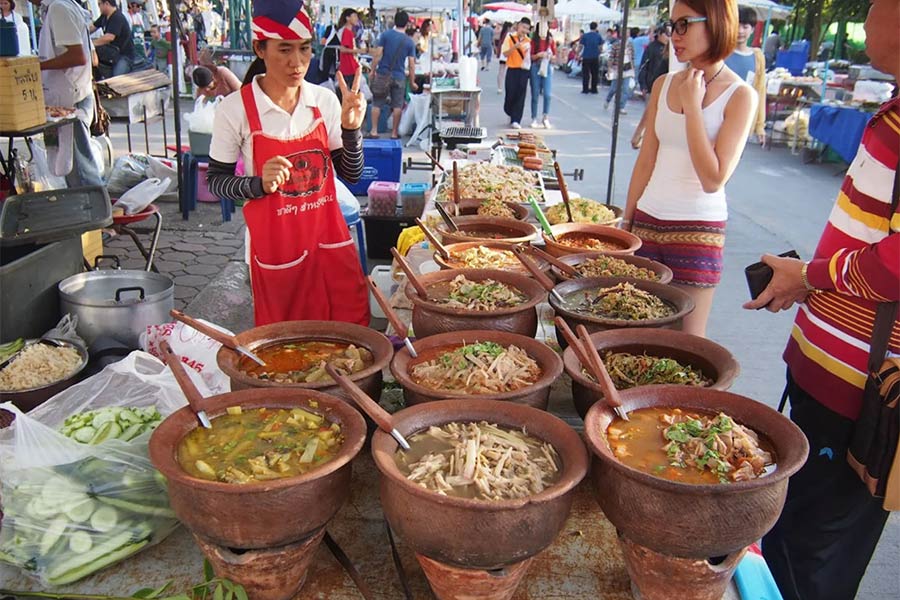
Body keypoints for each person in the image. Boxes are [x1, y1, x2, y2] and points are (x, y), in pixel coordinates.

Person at [743, 2, 899, 598]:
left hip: (859, 391)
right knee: (792, 539)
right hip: (831, 374)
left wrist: (809, 277)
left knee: (810, 559)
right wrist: (807, 278)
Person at [206, 0, 369, 327]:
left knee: (351, 337)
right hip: (276, 251)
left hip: (330, 242)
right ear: (260, 49)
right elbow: (216, 181)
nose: (297, 63)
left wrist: (352, 130)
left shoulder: (323, 101)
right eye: (284, 50)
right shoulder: (235, 109)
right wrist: (257, 184)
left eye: (305, 49)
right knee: (288, 345)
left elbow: (351, 174)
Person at [623, 0, 756, 338]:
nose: (674, 35)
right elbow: (646, 159)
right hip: (647, 220)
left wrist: (694, 107)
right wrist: (627, 222)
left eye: (684, 24)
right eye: (672, 26)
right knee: (634, 329)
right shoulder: (663, 84)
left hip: (698, 230)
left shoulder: (740, 95)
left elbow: (713, 178)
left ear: (715, 23)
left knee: (686, 341)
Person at [28, 0, 102, 188]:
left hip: (70, 99)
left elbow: (77, 56)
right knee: (73, 170)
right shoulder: (61, 6)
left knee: (82, 173)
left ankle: (97, 214)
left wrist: (38, 66)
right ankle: (89, 211)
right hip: (68, 94)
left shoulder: (59, 7)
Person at [368, 10, 417, 140]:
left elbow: (378, 54)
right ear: (407, 23)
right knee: (397, 105)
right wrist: (412, 82)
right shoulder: (409, 42)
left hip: (383, 74)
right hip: (399, 76)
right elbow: (412, 64)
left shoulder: (385, 35)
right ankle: (394, 133)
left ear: (394, 21)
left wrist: (372, 70)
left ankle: (374, 131)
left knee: (377, 102)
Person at [725, 7, 766, 145]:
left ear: (752, 29)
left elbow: (760, 91)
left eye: (745, 26)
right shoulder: (721, 53)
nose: (740, 31)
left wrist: (760, 126)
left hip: (743, 118)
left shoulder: (757, 57)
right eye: (737, 25)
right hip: (718, 117)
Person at [631, 24, 670, 148]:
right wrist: (643, 84)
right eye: (667, 34)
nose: (669, 37)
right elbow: (644, 67)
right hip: (652, 87)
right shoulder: (653, 49)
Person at [92, 0, 136, 77]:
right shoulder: (104, 17)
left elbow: (109, 37)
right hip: (113, 54)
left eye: (99, 4)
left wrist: (91, 44)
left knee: (116, 78)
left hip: (124, 56)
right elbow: (92, 27)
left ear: (106, 3)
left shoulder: (117, 17)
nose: (99, 7)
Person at [501, 17, 531, 130]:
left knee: (521, 95)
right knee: (510, 94)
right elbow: (505, 53)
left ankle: (516, 119)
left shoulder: (529, 41)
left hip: (524, 71)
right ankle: (509, 111)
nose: (524, 30)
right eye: (523, 27)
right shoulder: (509, 38)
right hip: (512, 69)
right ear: (518, 26)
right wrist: (514, 47)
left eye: (527, 29)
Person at [529, 25, 555, 129]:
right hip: (536, 66)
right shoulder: (534, 40)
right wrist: (539, 55)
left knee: (547, 94)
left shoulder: (550, 40)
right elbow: (531, 57)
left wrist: (550, 56)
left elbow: (554, 56)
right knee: (535, 93)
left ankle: (545, 117)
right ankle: (534, 117)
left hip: (547, 66)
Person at [604, 29, 635, 114]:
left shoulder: (630, 45)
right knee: (614, 88)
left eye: (628, 33)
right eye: (625, 32)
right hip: (617, 69)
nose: (627, 34)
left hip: (627, 69)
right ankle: (608, 99)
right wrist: (610, 67)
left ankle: (621, 107)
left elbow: (632, 57)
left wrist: (633, 69)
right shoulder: (616, 44)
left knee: (626, 89)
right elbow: (611, 57)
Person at [335, 8, 361, 85]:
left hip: (350, 67)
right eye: (354, 16)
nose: (357, 19)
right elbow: (343, 49)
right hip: (348, 67)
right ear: (347, 18)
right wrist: (359, 51)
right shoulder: (346, 32)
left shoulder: (349, 32)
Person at [579, 22, 602, 94]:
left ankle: (585, 89)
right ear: (596, 27)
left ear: (590, 27)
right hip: (595, 56)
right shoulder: (598, 36)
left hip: (586, 56)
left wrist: (578, 53)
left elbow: (581, 46)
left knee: (586, 73)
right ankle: (594, 89)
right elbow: (600, 47)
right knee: (594, 73)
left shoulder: (585, 36)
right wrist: (599, 52)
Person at [126, 1, 148, 67]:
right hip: (132, 50)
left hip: (141, 49)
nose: (139, 8)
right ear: (130, 5)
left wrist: (145, 51)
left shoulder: (139, 16)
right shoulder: (126, 16)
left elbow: (142, 35)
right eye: (138, 6)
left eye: (140, 6)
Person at [495, 21, 511, 94]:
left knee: (501, 70)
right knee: (504, 71)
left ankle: (499, 87)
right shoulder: (509, 34)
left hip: (502, 54)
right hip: (507, 54)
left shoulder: (502, 33)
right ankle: (501, 87)